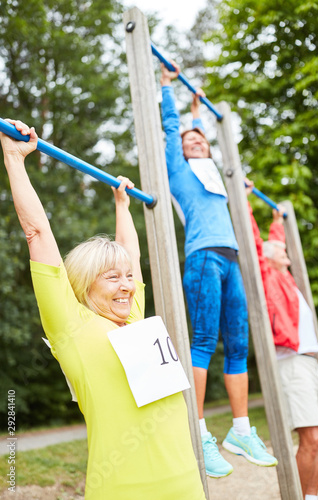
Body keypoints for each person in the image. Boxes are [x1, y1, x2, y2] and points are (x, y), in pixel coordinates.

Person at [0, 119, 207, 500]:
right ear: (84, 284)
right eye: (112, 278)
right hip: (122, 490)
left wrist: (122, 204)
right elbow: (38, 233)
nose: (127, 285)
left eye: (128, 277)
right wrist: (14, 158)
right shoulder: (71, 326)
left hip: (187, 486)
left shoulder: (134, 320)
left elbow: (133, 254)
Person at [159, 63, 277, 478]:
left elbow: (198, 136)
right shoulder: (178, 171)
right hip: (204, 257)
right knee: (205, 341)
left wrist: (197, 113)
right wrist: (167, 90)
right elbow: (175, 135)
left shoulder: (213, 175)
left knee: (239, 345)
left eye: (200, 139)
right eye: (190, 140)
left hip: (231, 260)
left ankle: (241, 431)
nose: (195, 142)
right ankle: (200, 431)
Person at [246, 182, 318, 500]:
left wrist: (278, 221)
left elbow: (274, 242)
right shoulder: (268, 276)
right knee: (310, 435)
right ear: (269, 260)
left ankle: (310, 496)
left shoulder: (287, 278)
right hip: (291, 362)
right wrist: (245, 204)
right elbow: (259, 246)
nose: (285, 252)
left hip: (310, 362)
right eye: (280, 251)